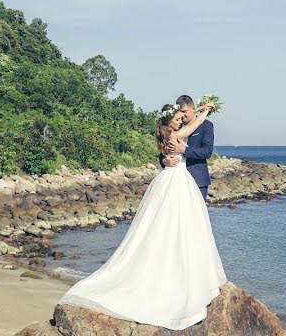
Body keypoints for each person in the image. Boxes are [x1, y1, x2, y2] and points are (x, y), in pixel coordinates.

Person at [56, 101, 227, 330]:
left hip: (173, 178)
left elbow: (196, 140)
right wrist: (204, 111)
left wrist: (197, 113)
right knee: (181, 225)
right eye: (177, 117)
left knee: (167, 224)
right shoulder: (177, 134)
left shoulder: (167, 134)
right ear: (169, 121)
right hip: (177, 181)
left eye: (181, 116)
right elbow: (194, 124)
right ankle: (182, 270)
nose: (180, 119)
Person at [160, 94, 214, 199]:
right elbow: (164, 152)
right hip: (175, 180)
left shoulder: (206, 126)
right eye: (180, 112)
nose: (182, 115)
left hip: (197, 180)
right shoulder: (174, 127)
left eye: (184, 111)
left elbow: (207, 152)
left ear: (192, 108)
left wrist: (184, 150)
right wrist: (164, 161)